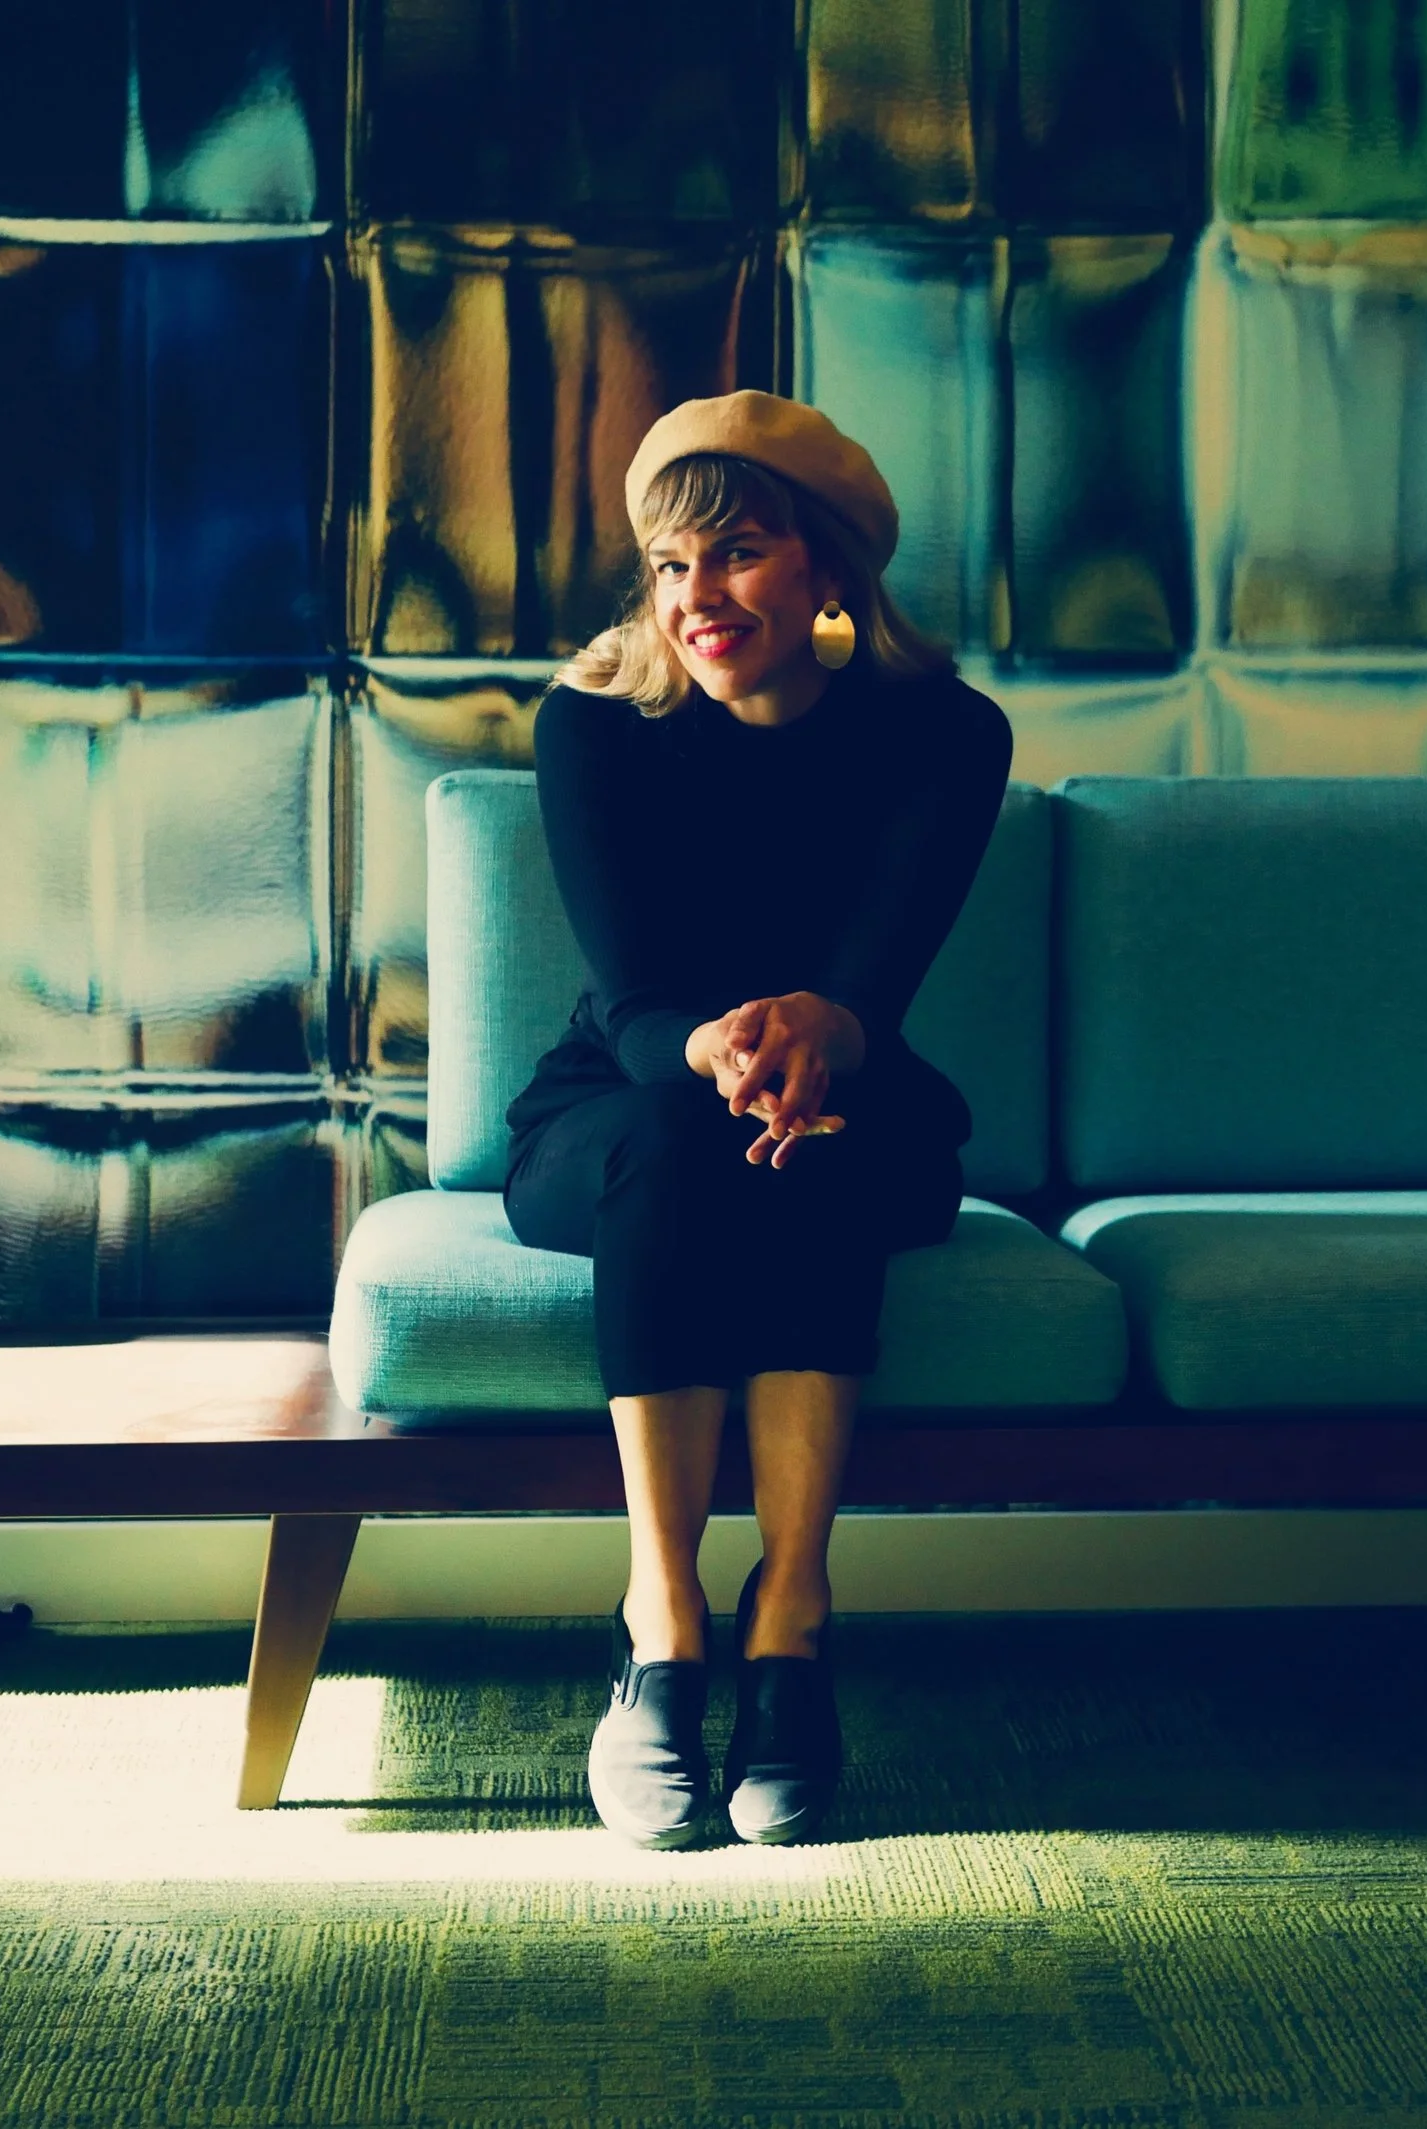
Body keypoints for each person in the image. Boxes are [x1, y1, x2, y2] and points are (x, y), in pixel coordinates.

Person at [504, 391, 1013, 1847]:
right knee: (686, 1141)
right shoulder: (595, 720)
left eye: (731, 554)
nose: (694, 598)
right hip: (627, 1101)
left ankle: (790, 1621)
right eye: (669, 565)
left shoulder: (943, 733)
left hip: (845, 1098)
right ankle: (662, 1625)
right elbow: (631, 993)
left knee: (820, 1150)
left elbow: (876, 985)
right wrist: (721, 1048)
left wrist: (820, 1036)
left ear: (829, 568)